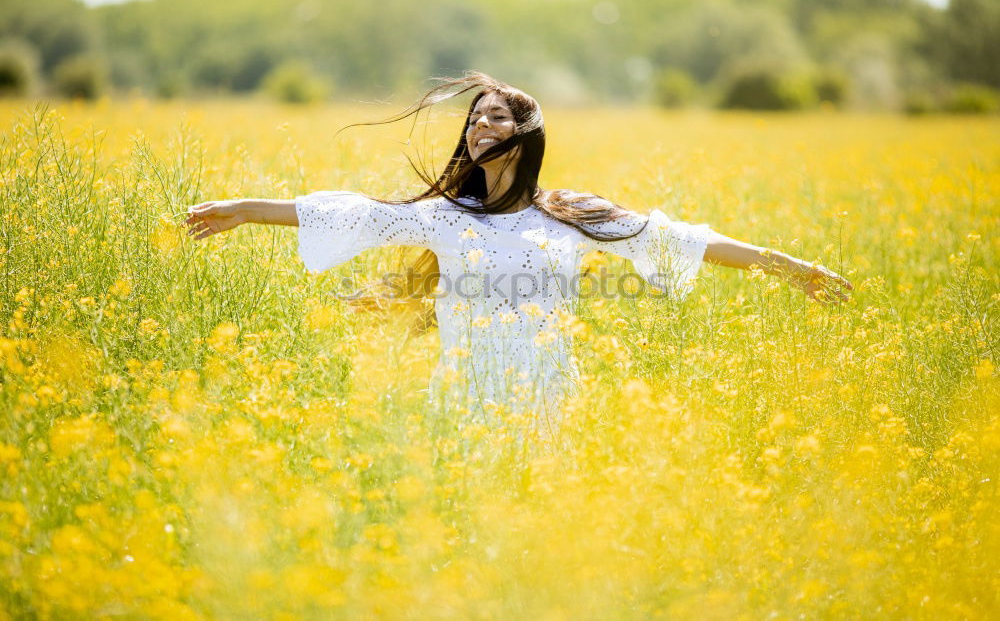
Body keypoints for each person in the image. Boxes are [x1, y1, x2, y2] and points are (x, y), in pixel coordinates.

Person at [184, 72, 852, 431]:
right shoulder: (445, 217)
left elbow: (676, 239)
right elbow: (358, 215)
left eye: (497, 117)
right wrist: (246, 211)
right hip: (465, 398)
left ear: (526, 133)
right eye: (474, 118)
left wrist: (790, 267)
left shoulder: (570, 213)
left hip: (548, 398)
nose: (481, 126)